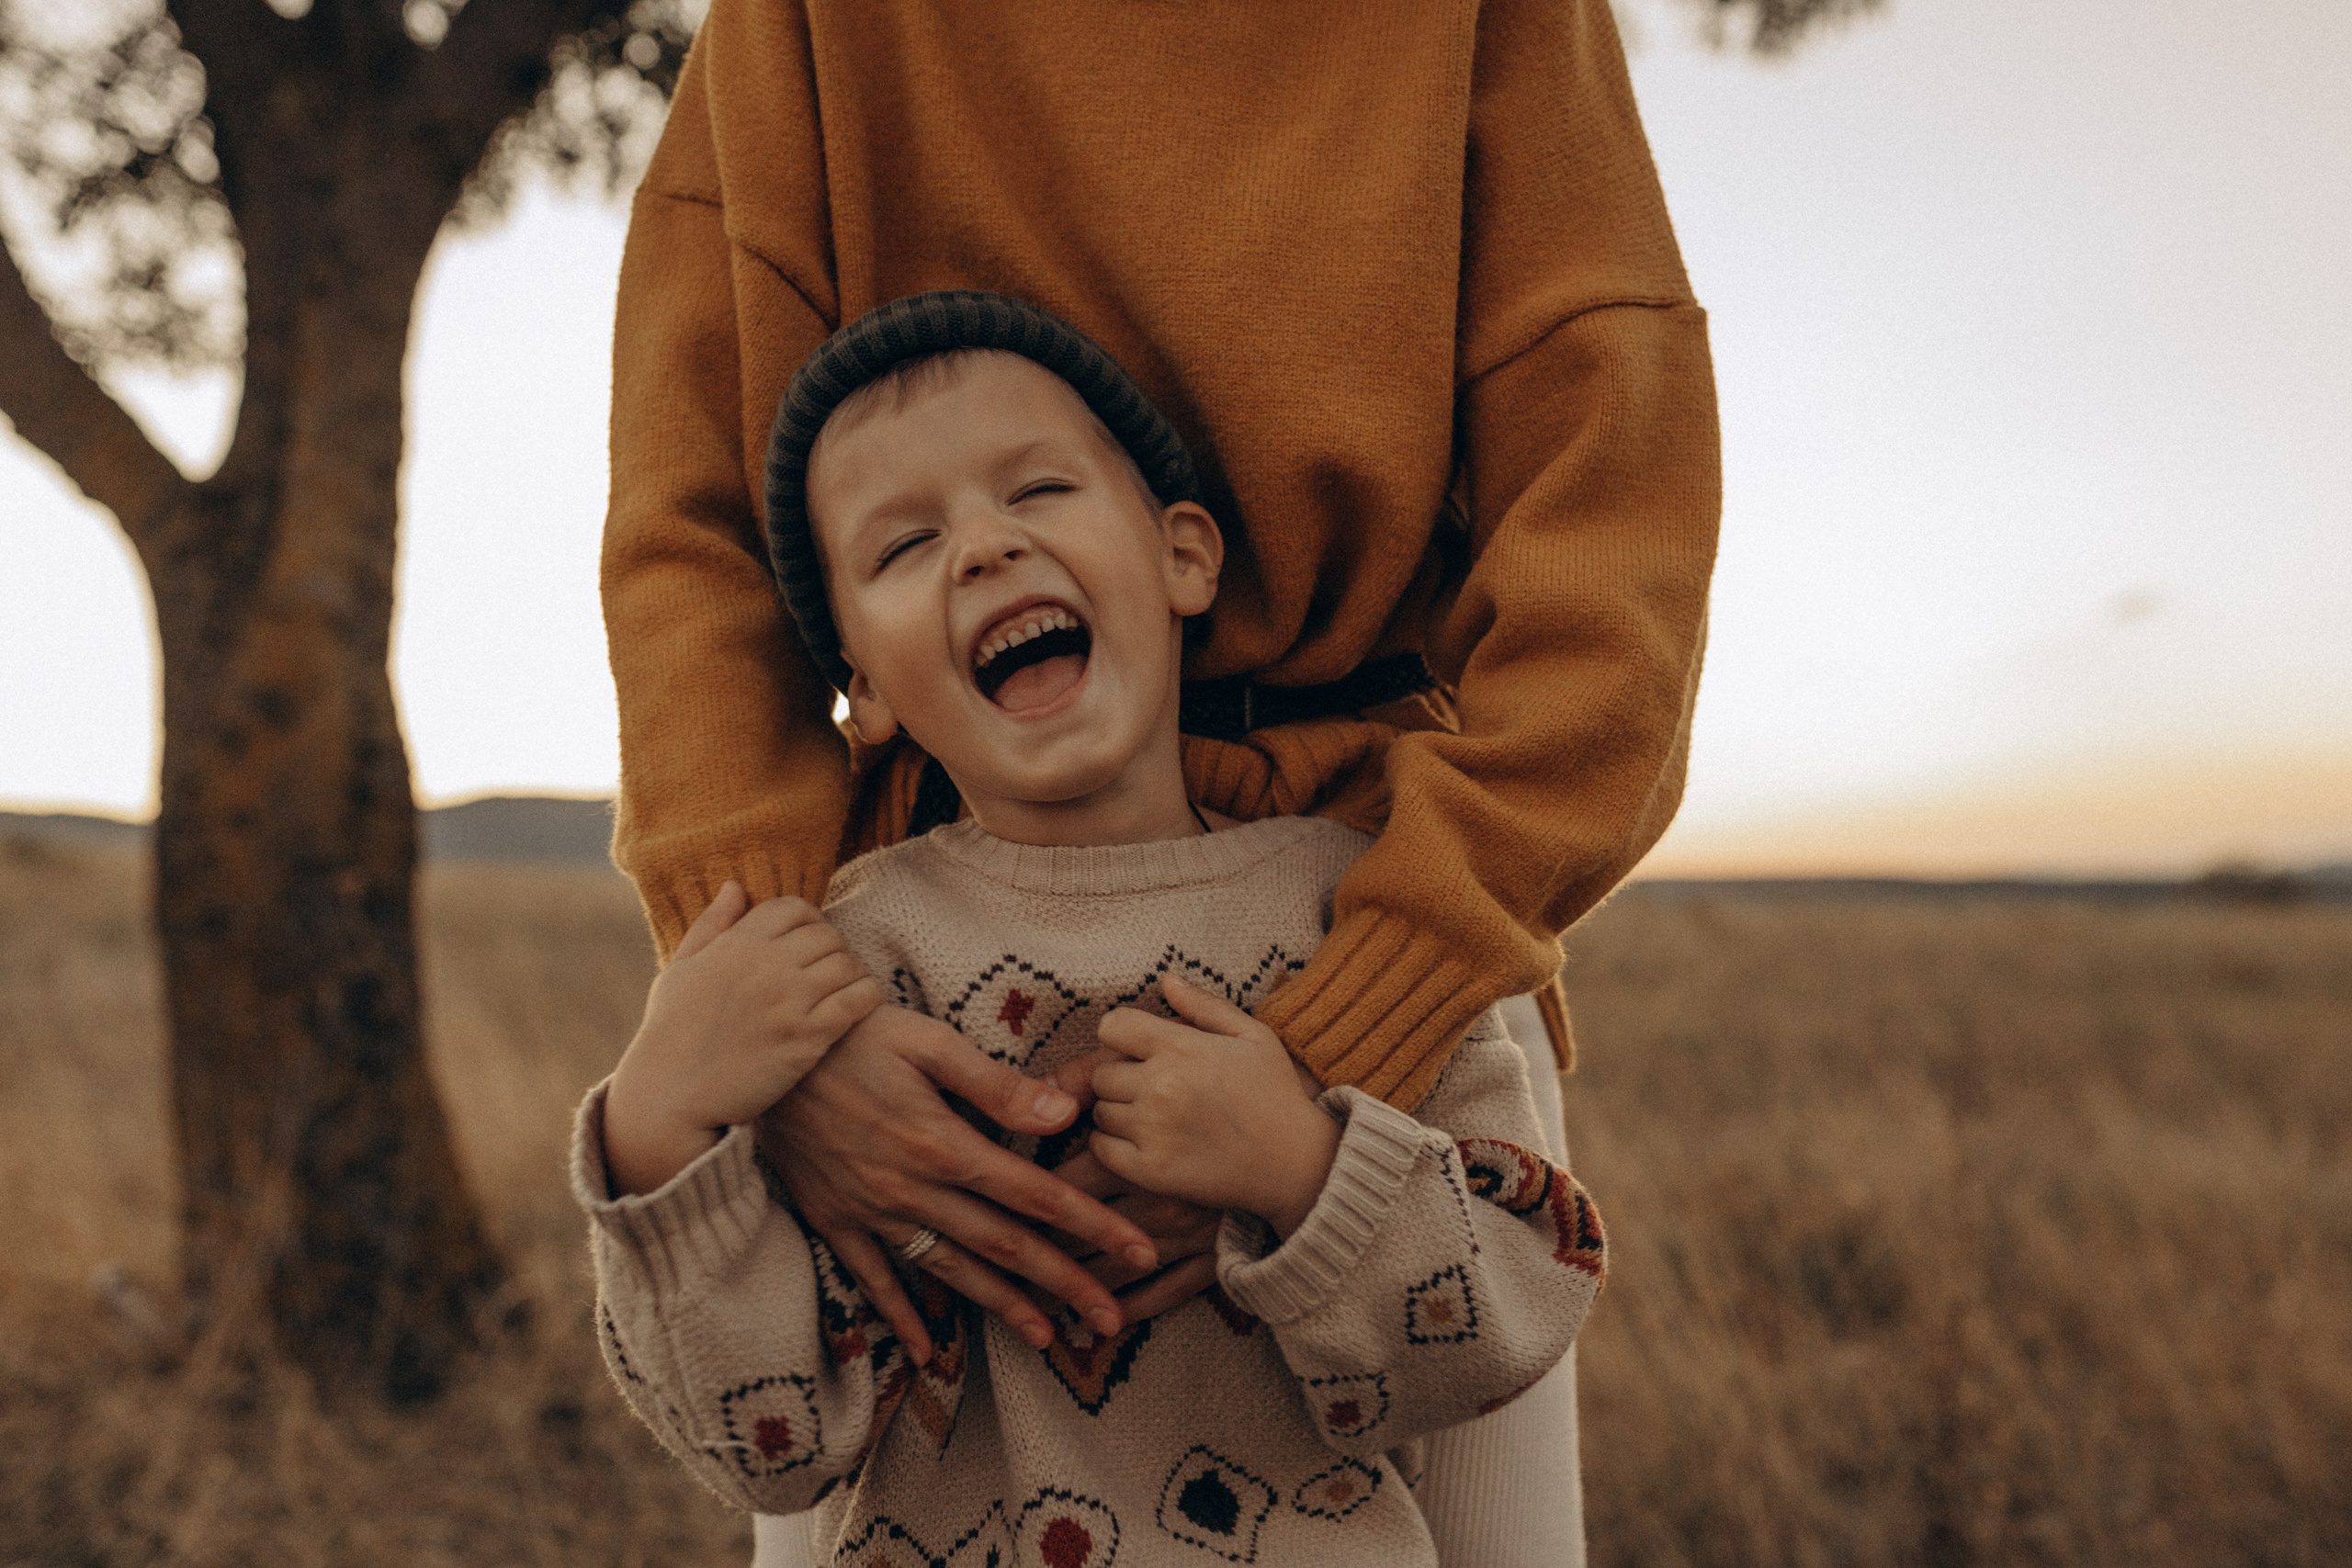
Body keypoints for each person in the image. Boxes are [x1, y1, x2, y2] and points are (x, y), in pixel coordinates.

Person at [601, 0, 1719, 1560]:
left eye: (1038, 494)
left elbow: (1615, 503)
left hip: (1392, 918)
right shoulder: (808, 21)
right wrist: (772, 1035)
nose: (985, 548)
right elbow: (691, 526)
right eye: (913, 543)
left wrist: (1339, 1072)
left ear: (1183, 553)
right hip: (894, 1052)